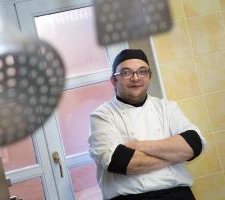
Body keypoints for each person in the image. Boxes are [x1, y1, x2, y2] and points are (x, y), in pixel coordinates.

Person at [88, 49, 206, 200]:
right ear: (114, 80)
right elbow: (119, 162)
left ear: (149, 76)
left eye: (142, 71)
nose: (135, 78)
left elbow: (194, 144)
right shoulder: (102, 116)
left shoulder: (167, 107)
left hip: (179, 195)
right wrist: (175, 155)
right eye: (126, 73)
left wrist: (138, 146)